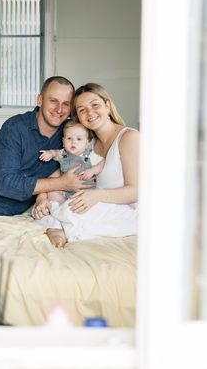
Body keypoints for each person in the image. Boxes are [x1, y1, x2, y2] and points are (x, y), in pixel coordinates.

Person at [33, 83, 139, 248]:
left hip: (128, 211)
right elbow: (62, 172)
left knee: (69, 209)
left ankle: (57, 226)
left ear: (107, 105)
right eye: (82, 110)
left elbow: (137, 191)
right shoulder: (87, 143)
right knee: (44, 208)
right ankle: (57, 224)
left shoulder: (129, 138)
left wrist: (97, 196)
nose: (90, 113)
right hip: (96, 203)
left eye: (95, 105)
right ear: (78, 118)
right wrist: (41, 198)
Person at [0, 76, 95, 216]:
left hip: (30, 206)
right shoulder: (15, 128)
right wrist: (61, 183)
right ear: (39, 100)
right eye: (53, 101)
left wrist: (42, 198)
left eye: (66, 103)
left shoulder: (71, 134)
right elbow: (7, 185)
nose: (59, 109)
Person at [37, 120, 105, 205]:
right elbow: (55, 152)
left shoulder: (89, 156)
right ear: (63, 141)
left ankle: (70, 207)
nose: (74, 142)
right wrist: (50, 153)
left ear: (86, 143)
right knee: (51, 193)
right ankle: (63, 206)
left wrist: (92, 171)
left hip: (84, 192)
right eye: (69, 138)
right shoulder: (63, 154)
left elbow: (102, 162)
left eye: (79, 139)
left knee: (85, 202)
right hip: (65, 192)